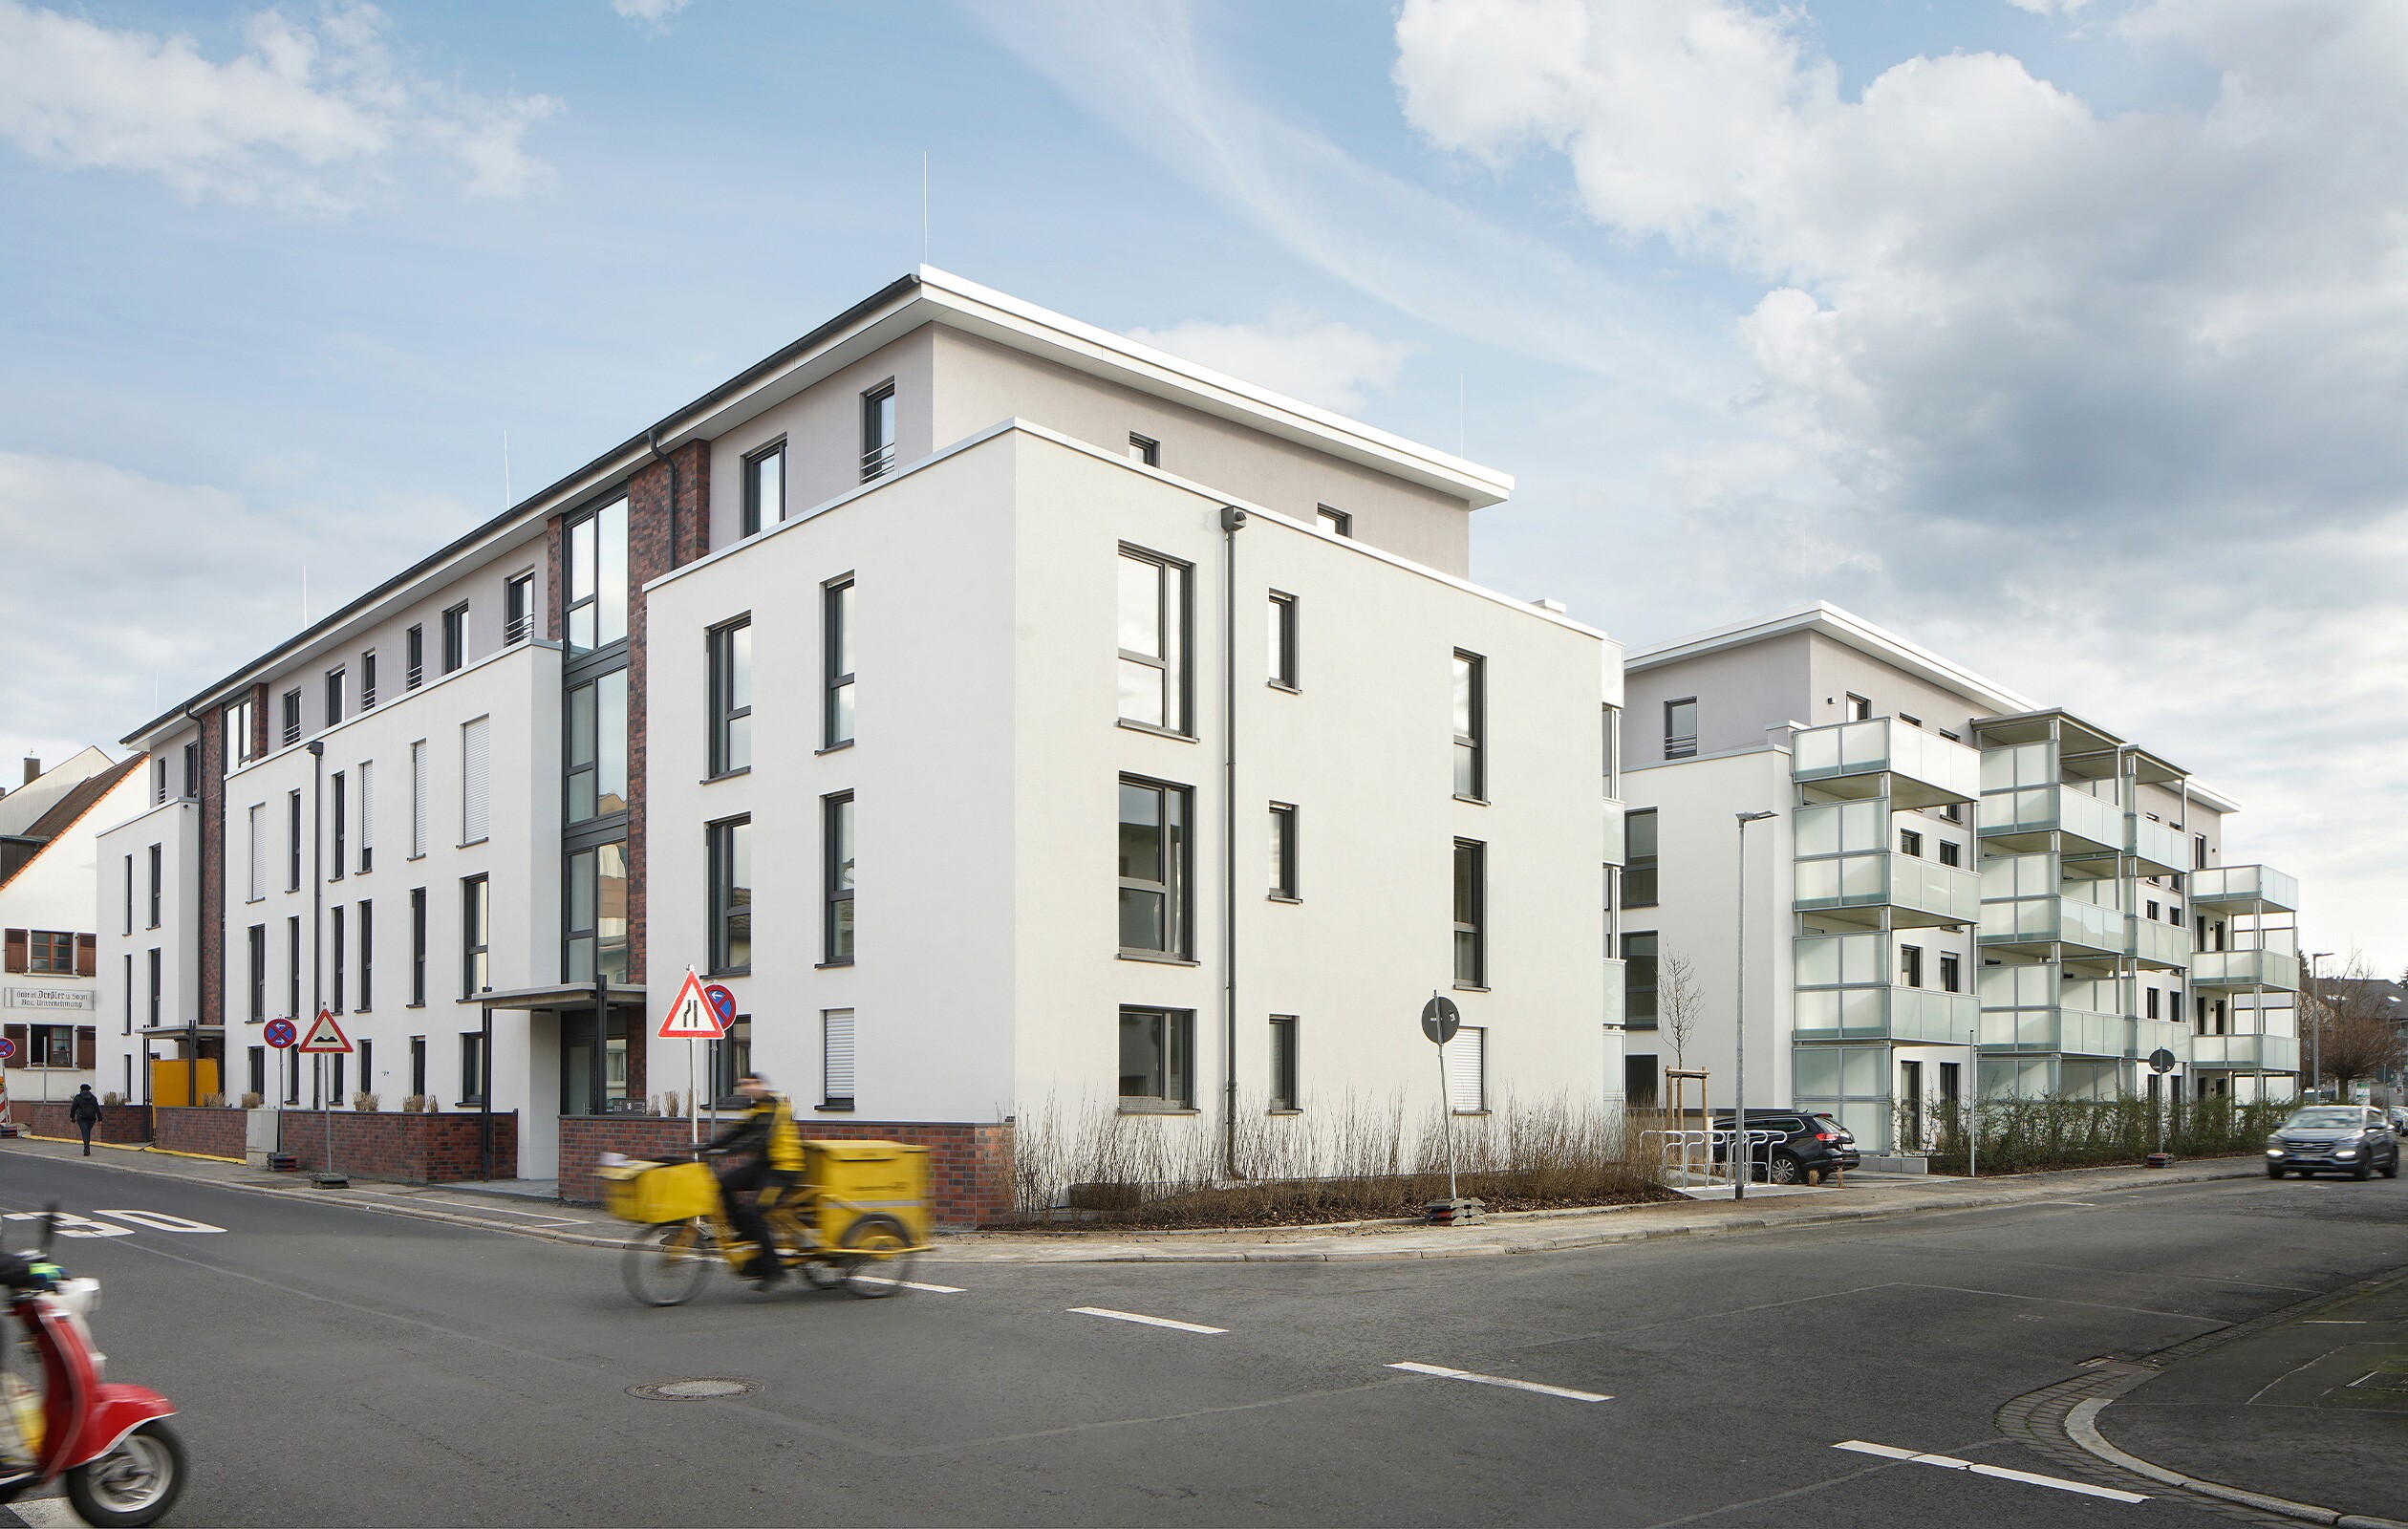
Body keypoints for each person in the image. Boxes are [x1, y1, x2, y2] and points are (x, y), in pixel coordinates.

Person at [704, 1074, 804, 1287]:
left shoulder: (778, 1108)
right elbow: (738, 1131)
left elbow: (762, 1138)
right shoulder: (755, 1110)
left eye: (751, 1084)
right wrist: (709, 1146)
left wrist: (731, 1151)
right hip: (764, 1167)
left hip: (784, 1170)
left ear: (762, 1086)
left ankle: (773, 1268)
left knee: (755, 1212)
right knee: (723, 1184)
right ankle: (745, 1230)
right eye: (743, 1085)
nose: (747, 1088)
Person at [68, 1086, 100, 1156]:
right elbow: (97, 1108)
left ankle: (86, 1149)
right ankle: (87, 1147)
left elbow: (73, 1108)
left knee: (85, 1132)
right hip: (91, 1118)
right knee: (87, 1131)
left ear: (81, 1090)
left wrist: (72, 1117)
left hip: (81, 1117)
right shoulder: (93, 1098)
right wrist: (100, 1118)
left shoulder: (78, 1098)